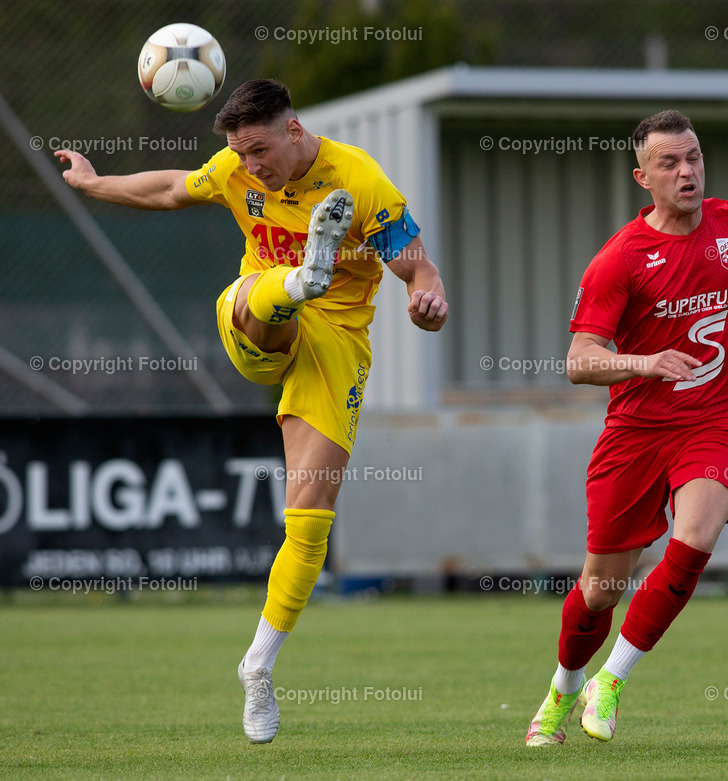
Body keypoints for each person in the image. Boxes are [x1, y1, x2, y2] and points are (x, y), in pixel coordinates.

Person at [56, 79, 448, 744]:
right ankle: (298, 280)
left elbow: (418, 269)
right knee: (261, 298)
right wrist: (95, 184)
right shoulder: (237, 169)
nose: (251, 165)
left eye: (260, 150)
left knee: (311, 520)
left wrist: (429, 299)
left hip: (337, 342)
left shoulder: (359, 178)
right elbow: (172, 189)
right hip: (253, 318)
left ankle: (258, 664)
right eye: (242, 153)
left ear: (295, 131)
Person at [525, 110, 728, 746]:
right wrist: (643, 362)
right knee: (599, 591)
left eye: (694, 158)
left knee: (697, 534)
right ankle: (563, 688)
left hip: (719, 422)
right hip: (636, 433)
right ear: (642, 177)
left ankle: (613, 680)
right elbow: (579, 362)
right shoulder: (618, 259)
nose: (687, 172)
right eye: (670, 163)